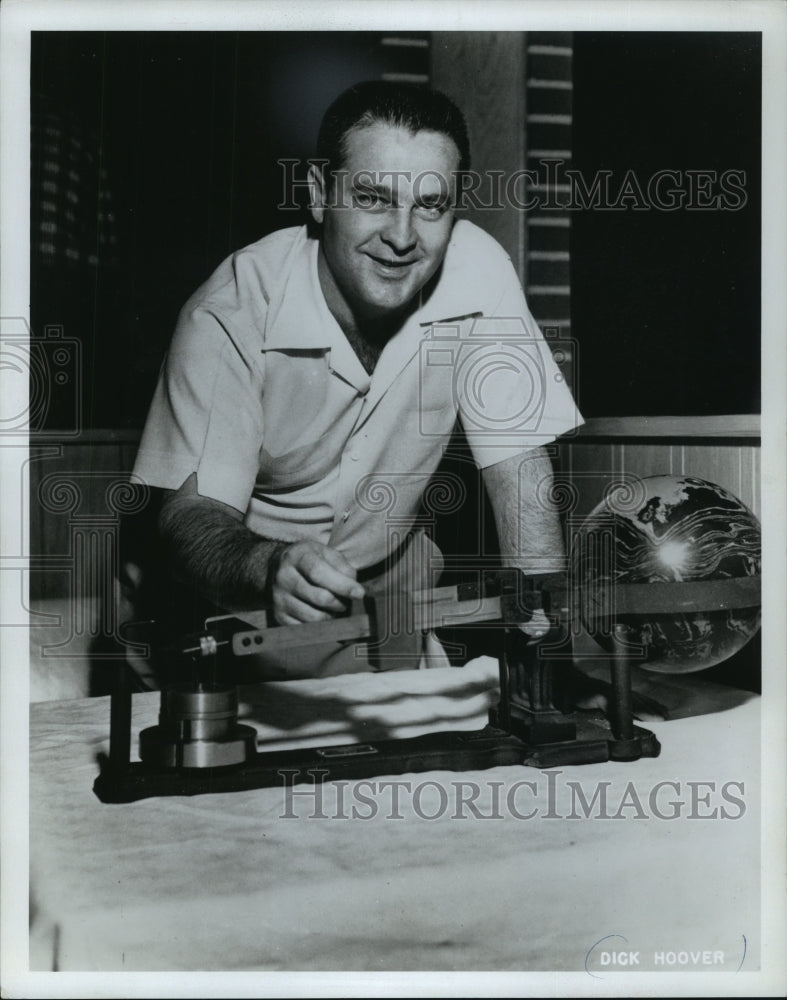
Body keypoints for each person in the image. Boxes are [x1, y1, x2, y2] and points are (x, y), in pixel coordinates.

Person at [131, 80, 583, 679]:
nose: (402, 236)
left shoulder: (480, 273)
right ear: (319, 195)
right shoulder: (231, 310)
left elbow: (520, 478)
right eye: (373, 198)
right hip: (233, 617)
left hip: (396, 606)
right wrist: (271, 567)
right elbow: (190, 517)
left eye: (431, 205)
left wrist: (549, 664)